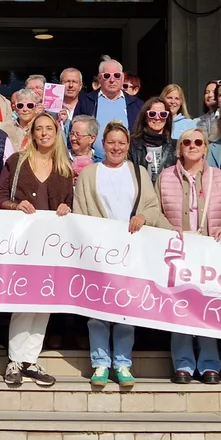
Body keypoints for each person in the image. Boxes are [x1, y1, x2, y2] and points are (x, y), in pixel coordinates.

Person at [74, 122, 171, 387]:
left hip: (132, 250)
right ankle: (100, 362)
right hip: (99, 251)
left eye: (121, 143)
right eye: (111, 142)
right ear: (102, 145)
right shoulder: (90, 174)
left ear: (128, 146)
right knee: (98, 310)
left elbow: (152, 206)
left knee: (126, 308)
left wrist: (143, 216)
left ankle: (123, 363)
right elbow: (80, 210)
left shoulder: (137, 172)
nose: (116, 147)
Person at [0, 113, 74, 387]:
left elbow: (69, 205)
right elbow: (0, 196)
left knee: (44, 303)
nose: (43, 133)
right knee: (23, 301)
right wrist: (15, 206)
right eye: (38, 128)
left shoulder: (64, 167)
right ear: (32, 133)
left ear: (56, 132)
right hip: (22, 244)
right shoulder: (17, 162)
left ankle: (30, 359)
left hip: (51, 246)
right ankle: (14, 360)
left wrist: (66, 208)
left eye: (48, 129)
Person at [157, 129, 221, 386]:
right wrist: (166, 228)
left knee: (207, 307)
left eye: (198, 142)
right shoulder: (166, 176)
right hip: (178, 250)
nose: (192, 146)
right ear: (180, 149)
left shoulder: (218, 176)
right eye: (187, 142)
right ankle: (183, 363)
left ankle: (209, 364)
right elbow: (155, 209)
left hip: (208, 250)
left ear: (205, 149)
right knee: (179, 305)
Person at [74, 58, 142, 160]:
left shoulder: (136, 104)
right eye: (107, 76)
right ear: (99, 78)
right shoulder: (86, 102)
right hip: (93, 162)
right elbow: (76, 132)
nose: (112, 80)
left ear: (122, 78)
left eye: (117, 75)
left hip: (127, 162)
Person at [128, 97, 176, 184]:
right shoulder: (131, 145)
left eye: (163, 114)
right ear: (145, 117)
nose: (157, 118)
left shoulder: (176, 146)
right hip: (142, 195)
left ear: (167, 118)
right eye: (152, 114)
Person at [0, 88, 39, 153]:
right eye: (20, 105)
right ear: (15, 108)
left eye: (30, 105)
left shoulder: (41, 128)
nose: (25, 109)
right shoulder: (5, 128)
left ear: (36, 107)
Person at [58, 67, 84, 137]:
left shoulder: (87, 107)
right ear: (60, 84)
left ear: (80, 86)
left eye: (75, 82)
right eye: (67, 81)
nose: (71, 85)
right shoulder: (51, 108)